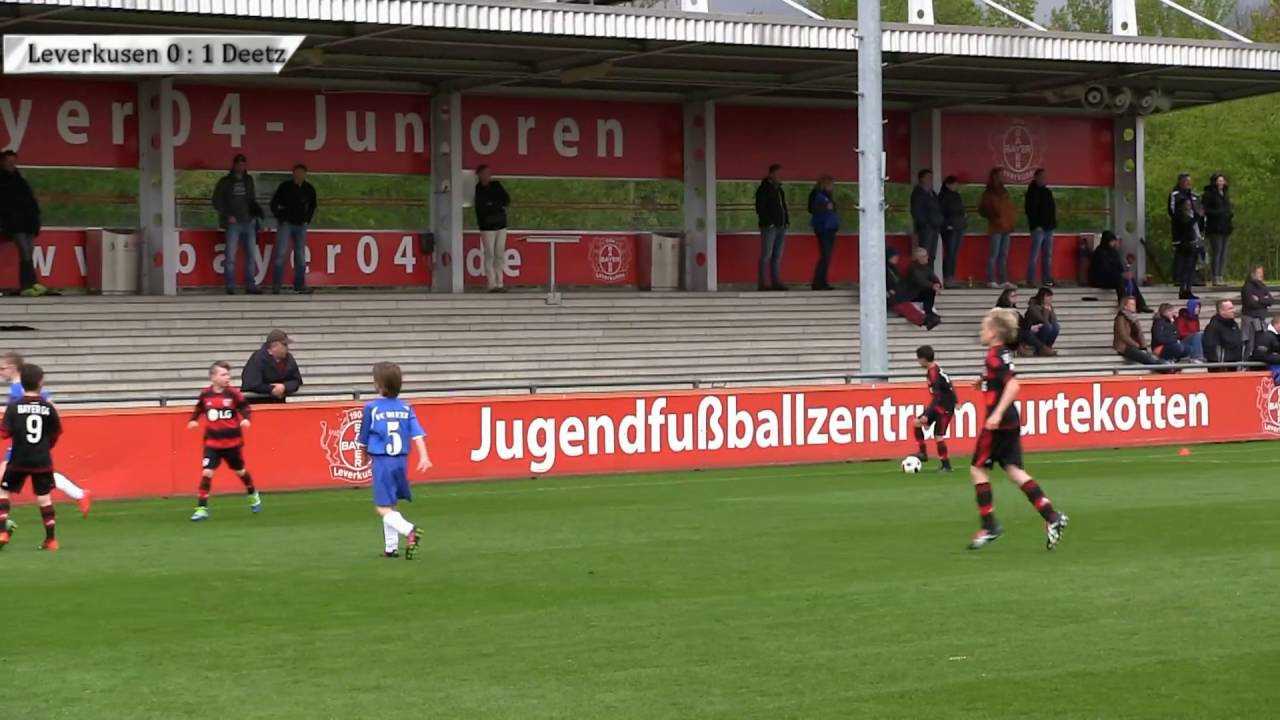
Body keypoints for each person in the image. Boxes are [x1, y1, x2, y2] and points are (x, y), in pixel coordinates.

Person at [966, 308, 1069, 551]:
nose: (981, 331)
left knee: (977, 469)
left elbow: (1013, 385)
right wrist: (984, 381)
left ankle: (989, 525)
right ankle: (1052, 516)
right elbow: (1002, 376)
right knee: (1014, 470)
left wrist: (996, 414)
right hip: (1011, 420)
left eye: (984, 327)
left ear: (993, 333)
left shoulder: (994, 356)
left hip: (999, 421)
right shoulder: (1001, 354)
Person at [0, 351, 92, 517]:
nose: (1, 372)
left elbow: (44, 405)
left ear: (13, 368)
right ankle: (79, 494)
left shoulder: (21, 387)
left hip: (24, 443)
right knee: (41, 475)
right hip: (22, 441)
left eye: (2, 368)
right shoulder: (20, 386)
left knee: (4, 479)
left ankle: (4, 523)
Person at [357, 362, 431, 559]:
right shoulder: (406, 408)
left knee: (382, 507)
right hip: (400, 462)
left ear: (379, 385)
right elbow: (417, 434)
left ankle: (409, 530)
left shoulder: (371, 408)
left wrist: (363, 456)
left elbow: (363, 437)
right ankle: (391, 548)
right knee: (390, 503)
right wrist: (424, 456)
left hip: (383, 461)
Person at [186, 361, 259, 521]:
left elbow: (245, 407)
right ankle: (201, 509)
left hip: (232, 443)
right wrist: (193, 420)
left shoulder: (233, 394)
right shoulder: (206, 394)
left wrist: (246, 419)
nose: (227, 377)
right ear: (213, 377)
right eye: (223, 374)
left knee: (240, 471)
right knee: (207, 472)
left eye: (228, 374)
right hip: (212, 443)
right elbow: (199, 408)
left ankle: (252, 492)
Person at [0, 364, 62, 550]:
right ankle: (51, 540)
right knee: (44, 498)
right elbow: (56, 433)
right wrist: (46, 447)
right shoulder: (47, 407)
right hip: (42, 459)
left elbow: (4, 433)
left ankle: (2, 531)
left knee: (3, 492)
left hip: (19, 458)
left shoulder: (14, 406)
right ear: (40, 382)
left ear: (22, 383)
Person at [211, 154, 265, 295]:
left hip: (249, 222)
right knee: (230, 256)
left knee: (251, 255)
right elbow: (216, 201)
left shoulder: (249, 180)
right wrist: (228, 215)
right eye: (239, 164)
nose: (241, 166)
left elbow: (252, 199)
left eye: (243, 164)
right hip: (233, 224)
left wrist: (256, 215)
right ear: (234, 165)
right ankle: (230, 286)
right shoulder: (225, 181)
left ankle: (250, 285)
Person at [0, 150, 47, 297]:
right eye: (9, 162)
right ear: (2, 162)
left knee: (28, 251)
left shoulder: (20, 179)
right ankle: (29, 284)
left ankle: (29, 284)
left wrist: (36, 218)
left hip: (28, 221)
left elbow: (30, 200)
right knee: (25, 250)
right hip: (14, 222)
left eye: (14, 162)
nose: (12, 164)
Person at [269, 163, 317, 295]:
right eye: (296, 173)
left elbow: (312, 206)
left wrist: (307, 219)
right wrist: (281, 217)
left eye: (301, 173)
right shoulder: (285, 187)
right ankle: (277, 285)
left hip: (301, 225)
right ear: (293, 174)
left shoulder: (309, 188)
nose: (298, 176)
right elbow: (274, 203)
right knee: (281, 253)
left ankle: (300, 285)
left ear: (305, 174)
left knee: (300, 255)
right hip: (286, 224)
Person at [912, 345, 955, 473]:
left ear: (923, 359)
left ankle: (946, 465)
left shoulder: (934, 373)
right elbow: (949, 386)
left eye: (918, 359)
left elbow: (938, 396)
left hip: (944, 408)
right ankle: (923, 453)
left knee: (938, 436)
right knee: (916, 423)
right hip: (938, 405)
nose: (918, 362)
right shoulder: (935, 370)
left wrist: (927, 414)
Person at [1089, 231, 1151, 312]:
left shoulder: (1114, 252)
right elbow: (1104, 269)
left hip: (1114, 278)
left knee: (1130, 280)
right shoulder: (1099, 252)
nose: (1113, 243)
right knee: (1118, 278)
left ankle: (1141, 305)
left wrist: (1125, 274)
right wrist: (1120, 275)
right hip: (1101, 279)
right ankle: (1123, 303)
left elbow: (1119, 266)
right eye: (1111, 241)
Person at [474, 165, 511, 293]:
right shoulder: (478, 189)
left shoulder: (496, 185)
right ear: (479, 174)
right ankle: (491, 283)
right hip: (487, 226)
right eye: (485, 173)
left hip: (501, 224)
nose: (488, 175)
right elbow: (482, 207)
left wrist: (493, 204)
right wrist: (496, 204)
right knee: (489, 254)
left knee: (499, 253)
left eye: (489, 173)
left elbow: (506, 200)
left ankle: (500, 283)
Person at [241, 329, 304, 404]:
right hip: (257, 404)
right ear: (274, 346)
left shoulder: (289, 359)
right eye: (284, 345)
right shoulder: (257, 359)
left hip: (278, 404)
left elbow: (297, 380)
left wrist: (284, 387)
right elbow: (251, 384)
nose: (287, 348)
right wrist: (271, 389)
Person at [1167, 174, 1203, 300]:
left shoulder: (1193, 196)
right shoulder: (1176, 198)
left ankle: (1188, 287)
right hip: (1183, 238)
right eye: (1186, 181)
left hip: (1194, 236)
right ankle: (1182, 286)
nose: (1188, 183)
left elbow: (1198, 214)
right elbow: (1174, 213)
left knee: (1191, 264)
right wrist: (1195, 216)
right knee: (1183, 263)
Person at [978, 168, 1015, 290]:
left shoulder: (1004, 191)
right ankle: (991, 279)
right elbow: (982, 209)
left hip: (1006, 226)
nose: (1002, 177)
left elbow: (1008, 208)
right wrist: (993, 217)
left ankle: (1003, 280)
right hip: (996, 226)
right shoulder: (989, 192)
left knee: (1004, 255)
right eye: (1000, 175)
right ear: (994, 177)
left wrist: (1011, 221)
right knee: (993, 254)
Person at [755, 164, 789, 291]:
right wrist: (769, 222)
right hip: (769, 227)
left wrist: (786, 221)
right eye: (778, 174)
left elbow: (783, 207)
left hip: (781, 226)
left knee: (777, 256)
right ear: (771, 174)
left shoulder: (779, 190)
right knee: (766, 254)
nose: (780, 177)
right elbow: (760, 207)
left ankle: (776, 282)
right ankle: (763, 283)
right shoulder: (764, 189)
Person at [887, 248, 939, 330]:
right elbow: (918, 279)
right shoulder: (886, 269)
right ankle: (924, 319)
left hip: (899, 295)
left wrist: (937, 284)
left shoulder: (895, 269)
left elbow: (931, 277)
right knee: (901, 304)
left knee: (903, 303)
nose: (896, 258)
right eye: (894, 256)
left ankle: (926, 317)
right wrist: (889, 289)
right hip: (893, 296)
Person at [1024, 168, 1057, 288]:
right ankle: (1031, 279)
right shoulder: (1031, 192)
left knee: (1048, 254)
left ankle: (1047, 279)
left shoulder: (1047, 192)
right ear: (1036, 177)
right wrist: (1035, 225)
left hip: (1049, 227)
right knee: (1035, 254)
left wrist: (1053, 224)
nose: (1044, 179)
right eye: (1041, 177)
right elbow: (1029, 211)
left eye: (1044, 177)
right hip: (1038, 228)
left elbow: (1052, 209)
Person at [807, 175, 838, 291]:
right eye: (830, 184)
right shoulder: (817, 194)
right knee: (825, 255)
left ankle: (822, 281)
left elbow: (833, 209)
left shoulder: (828, 195)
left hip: (831, 227)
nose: (832, 187)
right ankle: (818, 282)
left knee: (827, 256)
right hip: (823, 227)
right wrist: (825, 207)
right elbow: (813, 209)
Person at [1113, 296, 1163, 366]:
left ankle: (1167, 365)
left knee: (1152, 357)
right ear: (1125, 306)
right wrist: (1137, 346)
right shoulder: (1120, 318)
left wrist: (1143, 347)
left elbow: (1140, 333)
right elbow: (1124, 336)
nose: (1134, 306)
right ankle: (1165, 367)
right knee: (1149, 359)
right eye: (1131, 304)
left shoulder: (1134, 318)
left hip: (1136, 346)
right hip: (1125, 347)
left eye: (1134, 304)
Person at [1203, 174, 1233, 286]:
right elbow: (1205, 210)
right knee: (1217, 251)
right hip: (1215, 227)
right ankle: (1215, 276)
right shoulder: (1209, 194)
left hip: (1226, 226)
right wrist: (1219, 213)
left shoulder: (1225, 194)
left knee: (1224, 252)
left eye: (1222, 181)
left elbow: (1228, 208)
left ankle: (1221, 275)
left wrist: (1229, 214)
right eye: (1219, 181)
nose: (1221, 183)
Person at [901, 247, 942, 324]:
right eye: (924, 256)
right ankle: (928, 312)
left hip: (918, 292)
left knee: (930, 289)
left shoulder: (926, 268)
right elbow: (920, 280)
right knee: (929, 289)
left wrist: (938, 284)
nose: (927, 257)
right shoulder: (912, 268)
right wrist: (932, 285)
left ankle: (929, 311)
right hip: (910, 294)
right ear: (918, 258)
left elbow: (933, 277)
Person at [910, 169, 943, 265]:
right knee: (924, 254)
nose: (930, 179)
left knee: (932, 255)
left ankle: (930, 273)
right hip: (925, 228)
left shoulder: (932, 193)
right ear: (922, 179)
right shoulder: (917, 193)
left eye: (931, 177)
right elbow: (916, 211)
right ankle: (923, 272)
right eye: (928, 177)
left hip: (935, 227)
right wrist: (925, 224)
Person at [938, 175, 966, 288]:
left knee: (954, 253)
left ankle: (952, 277)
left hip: (959, 227)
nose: (956, 186)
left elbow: (961, 211)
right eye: (955, 184)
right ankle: (947, 277)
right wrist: (946, 225)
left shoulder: (957, 195)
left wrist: (964, 223)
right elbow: (940, 212)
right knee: (950, 253)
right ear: (948, 184)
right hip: (950, 228)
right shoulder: (943, 196)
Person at [1203, 298, 1245, 372]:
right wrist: (1220, 365)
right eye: (1230, 308)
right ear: (1221, 311)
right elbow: (1212, 349)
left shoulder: (1234, 325)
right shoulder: (1213, 327)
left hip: (1235, 366)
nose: (1233, 310)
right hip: (1221, 369)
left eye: (1233, 308)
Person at [1241, 264, 1273, 357]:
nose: (1261, 275)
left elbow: (1271, 300)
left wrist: (1259, 299)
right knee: (1250, 345)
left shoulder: (1263, 286)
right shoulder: (1247, 287)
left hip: (1261, 319)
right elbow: (1251, 303)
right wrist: (1264, 300)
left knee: (1261, 344)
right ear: (1253, 274)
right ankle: (1246, 362)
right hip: (1250, 320)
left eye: (1262, 272)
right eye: (1259, 272)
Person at [1023, 286, 1060, 356]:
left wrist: (1050, 311)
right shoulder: (1033, 307)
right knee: (1047, 326)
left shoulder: (1049, 306)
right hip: (1033, 331)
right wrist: (1045, 310)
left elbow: (1054, 320)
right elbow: (1043, 320)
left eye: (1051, 297)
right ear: (1043, 297)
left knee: (1056, 326)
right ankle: (1041, 349)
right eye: (1048, 297)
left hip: (1044, 330)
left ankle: (1048, 347)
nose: (1050, 299)